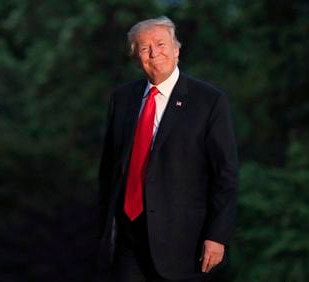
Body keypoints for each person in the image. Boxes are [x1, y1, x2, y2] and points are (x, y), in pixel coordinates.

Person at [97, 16, 239, 281]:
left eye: (160, 44)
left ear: (176, 49)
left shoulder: (208, 101)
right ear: (136, 57)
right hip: (128, 240)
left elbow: (226, 174)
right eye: (143, 48)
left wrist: (217, 235)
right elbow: (109, 170)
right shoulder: (122, 99)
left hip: (185, 243)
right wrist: (103, 228)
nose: (153, 53)